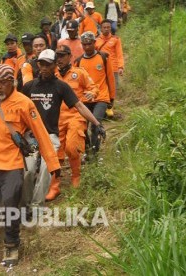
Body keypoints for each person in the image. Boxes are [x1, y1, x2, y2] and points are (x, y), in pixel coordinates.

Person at [0, 64, 60, 265]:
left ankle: (11, 245)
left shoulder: (24, 104)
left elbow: (41, 133)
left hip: (13, 163)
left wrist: (53, 164)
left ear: (12, 83)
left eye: (2, 83)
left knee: (9, 205)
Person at [22, 49, 105, 202]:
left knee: (48, 169)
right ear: (38, 65)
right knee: (27, 172)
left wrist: (96, 123)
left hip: (51, 135)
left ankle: (38, 204)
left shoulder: (61, 86)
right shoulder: (29, 86)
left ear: (54, 66)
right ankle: (25, 204)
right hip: (32, 136)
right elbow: (17, 106)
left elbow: (79, 106)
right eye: (42, 64)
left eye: (48, 64)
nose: (45, 68)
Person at [46, 45, 100, 199]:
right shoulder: (52, 75)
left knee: (72, 146)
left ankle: (76, 176)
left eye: (63, 55)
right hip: (57, 118)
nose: (60, 59)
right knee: (56, 153)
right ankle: (54, 186)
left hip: (76, 115)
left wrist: (91, 93)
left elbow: (93, 87)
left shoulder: (79, 73)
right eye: (57, 56)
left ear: (69, 56)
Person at [75, 32, 115, 155]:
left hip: (101, 97)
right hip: (85, 99)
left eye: (89, 44)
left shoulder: (103, 57)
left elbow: (110, 77)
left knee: (95, 124)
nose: (87, 47)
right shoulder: (78, 61)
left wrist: (112, 98)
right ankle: (87, 149)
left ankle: (94, 153)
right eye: (84, 44)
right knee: (82, 127)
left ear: (94, 43)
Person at [96, 19, 125, 117]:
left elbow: (119, 54)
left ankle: (110, 108)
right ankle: (101, 108)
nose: (106, 29)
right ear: (100, 28)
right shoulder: (96, 40)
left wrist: (121, 66)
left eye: (108, 27)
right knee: (102, 88)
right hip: (100, 69)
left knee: (112, 89)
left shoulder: (116, 39)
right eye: (104, 27)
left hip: (113, 68)